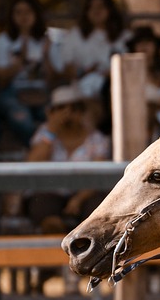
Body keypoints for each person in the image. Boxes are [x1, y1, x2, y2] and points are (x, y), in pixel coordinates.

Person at [22, 85, 112, 233]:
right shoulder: (44, 134)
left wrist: (78, 199)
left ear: (82, 112)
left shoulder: (97, 139)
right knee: (44, 210)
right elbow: (31, 164)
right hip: (50, 192)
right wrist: (52, 131)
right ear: (51, 112)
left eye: (74, 108)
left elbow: (98, 176)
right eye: (61, 108)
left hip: (85, 195)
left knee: (96, 214)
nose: (68, 113)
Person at [0, 0, 54, 146]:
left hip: (40, 93)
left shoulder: (46, 41)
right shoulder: (3, 41)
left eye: (28, 11)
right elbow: (1, 82)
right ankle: (37, 151)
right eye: (18, 12)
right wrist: (21, 61)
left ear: (36, 14)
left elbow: (51, 81)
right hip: (12, 93)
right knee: (23, 121)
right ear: (11, 16)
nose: (23, 16)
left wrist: (46, 56)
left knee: (56, 117)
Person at [54, 0, 129, 101]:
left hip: (118, 87)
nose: (96, 11)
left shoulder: (125, 37)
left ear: (110, 9)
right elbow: (67, 69)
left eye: (101, 7)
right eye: (91, 7)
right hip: (84, 88)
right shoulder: (75, 35)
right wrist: (84, 72)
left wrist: (111, 73)